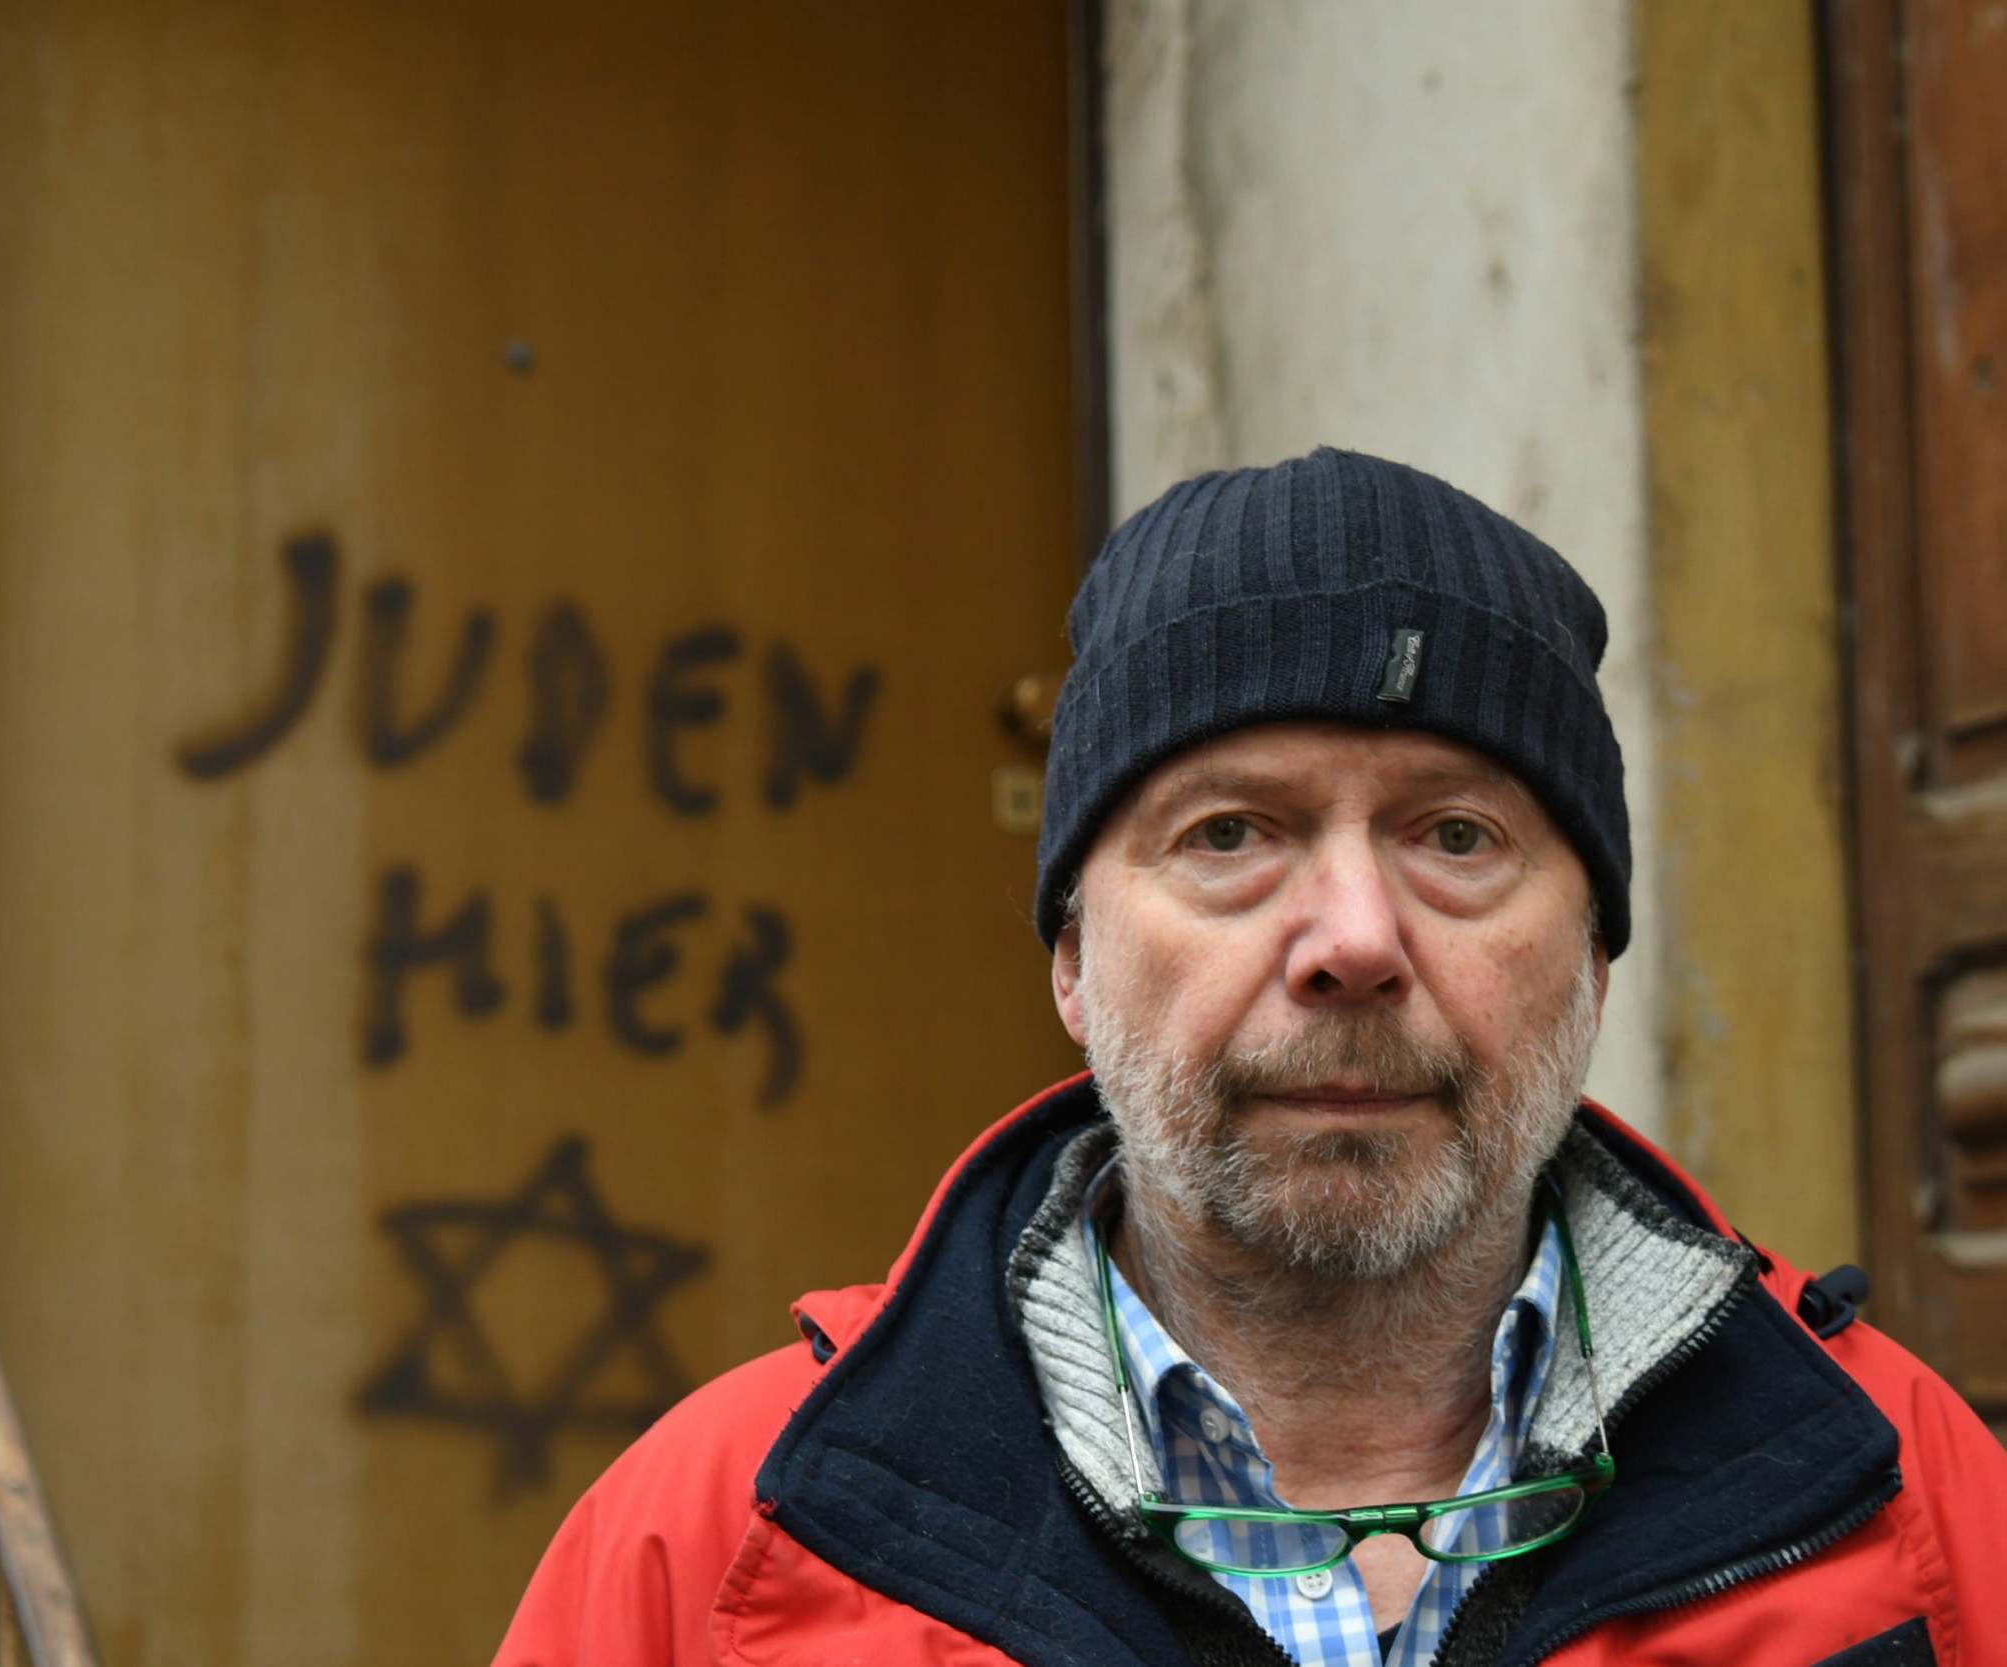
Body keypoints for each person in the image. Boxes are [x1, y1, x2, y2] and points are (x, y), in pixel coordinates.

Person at [492, 451, 2006, 1666]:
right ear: (1072, 959)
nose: (1350, 937)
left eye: (1455, 837)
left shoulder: (1908, 1502)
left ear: (1594, 957)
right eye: (1229, 835)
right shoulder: (724, 1546)